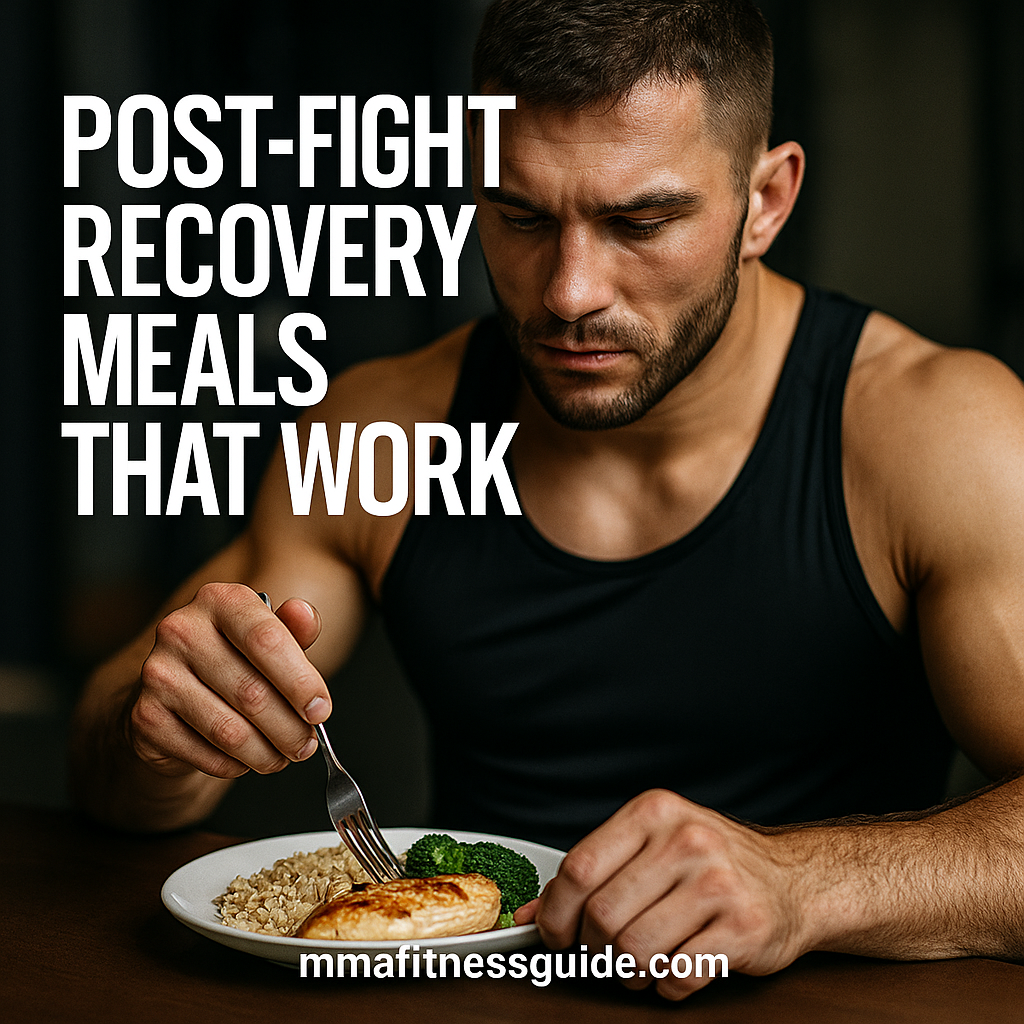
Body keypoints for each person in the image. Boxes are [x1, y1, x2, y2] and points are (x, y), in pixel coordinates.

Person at [70, 0, 1023, 1000]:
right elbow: (118, 783)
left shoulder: (938, 436)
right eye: (520, 215)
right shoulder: (382, 428)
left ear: (766, 200)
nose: (567, 291)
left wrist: (805, 882)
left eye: (639, 221)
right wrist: (164, 730)